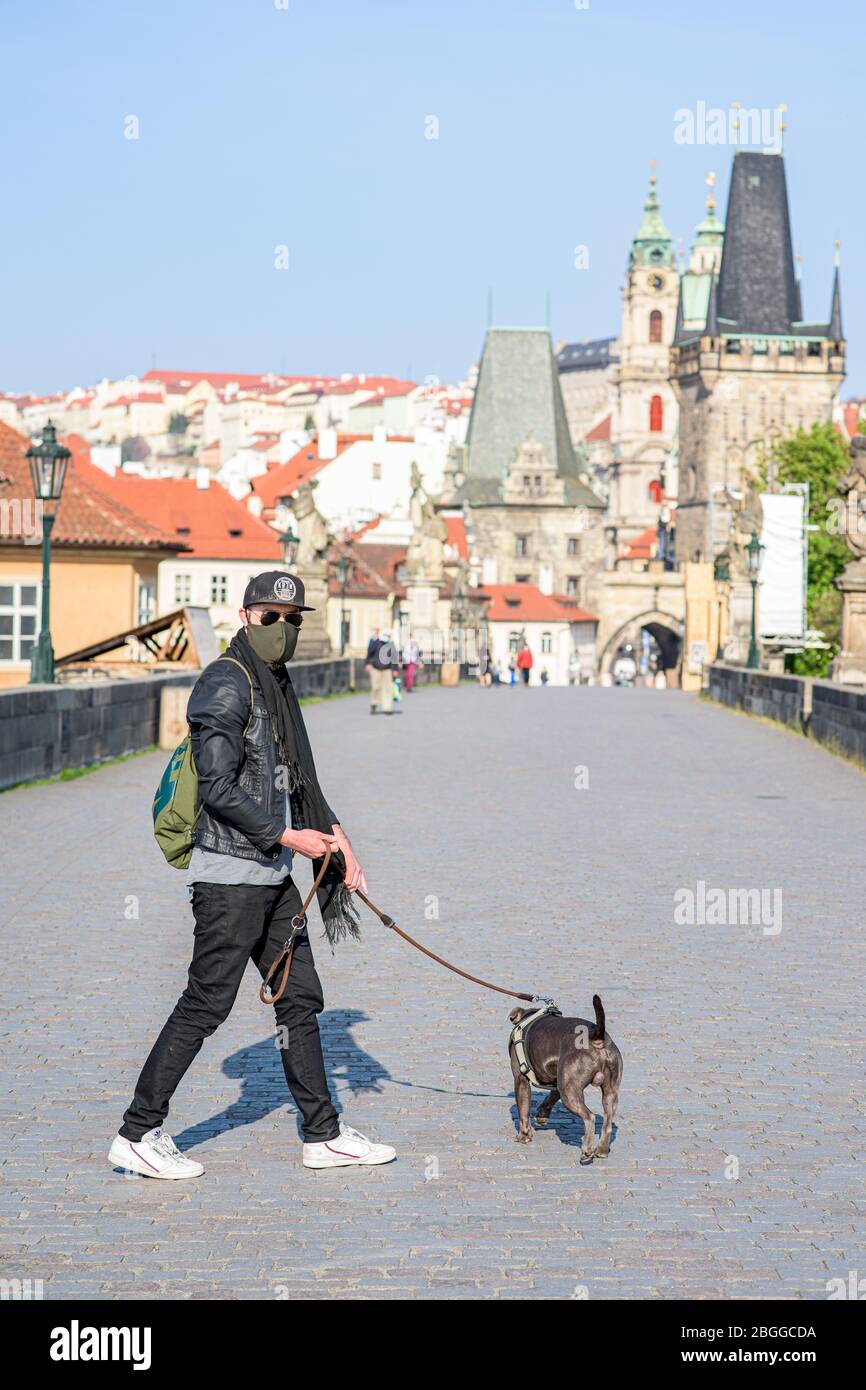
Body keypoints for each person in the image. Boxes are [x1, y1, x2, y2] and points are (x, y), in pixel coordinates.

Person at [108, 571, 395, 1179]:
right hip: (230, 878)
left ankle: (322, 1135)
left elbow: (295, 780)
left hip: (271, 876)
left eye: (294, 621)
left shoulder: (276, 686)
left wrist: (339, 841)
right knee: (207, 1003)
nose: (284, 630)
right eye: (272, 619)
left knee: (299, 1000)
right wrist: (288, 837)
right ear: (246, 618)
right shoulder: (225, 682)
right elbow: (216, 786)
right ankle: (137, 1132)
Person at [366, 627, 397, 714]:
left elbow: (394, 657)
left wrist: (395, 669)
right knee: (375, 687)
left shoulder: (391, 644)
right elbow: (369, 654)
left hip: (387, 669)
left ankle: (388, 708)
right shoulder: (375, 643)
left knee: (387, 689)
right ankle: (374, 704)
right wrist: (367, 664)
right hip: (376, 668)